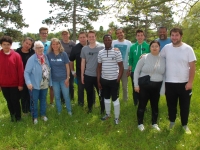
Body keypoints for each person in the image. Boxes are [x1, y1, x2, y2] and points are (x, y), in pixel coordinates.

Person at [160, 27, 196, 134]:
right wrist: (145, 56)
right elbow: (158, 56)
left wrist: (190, 82)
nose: (174, 37)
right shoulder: (166, 48)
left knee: (184, 106)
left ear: (181, 36)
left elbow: (192, 67)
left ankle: (184, 125)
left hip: (184, 83)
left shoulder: (188, 49)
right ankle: (172, 122)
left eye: (176, 35)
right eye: (172, 35)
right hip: (170, 83)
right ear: (170, 36)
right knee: (171, 105)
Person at [134, 40, 165, 131]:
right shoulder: (144, 58)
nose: (154, 48)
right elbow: (136, 71)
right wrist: (136, 85)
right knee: (142, 105)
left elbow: (165, 74)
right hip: (144, 86)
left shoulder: (163, 59)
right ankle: (140, 123)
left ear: (159, 48)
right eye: (152, 46)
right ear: (150, 48)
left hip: (157, 87)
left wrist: (163, 88)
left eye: (156, 46)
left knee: (155, 105)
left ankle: (154, 123)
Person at [97, 34, 123, 124]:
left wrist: (118, 78)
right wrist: (98, 81)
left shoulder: (116, 52)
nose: (107, 41)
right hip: (104, 80)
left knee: (115, 99)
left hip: (114, 80)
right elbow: (99, 67)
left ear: (112, 41)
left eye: (109, 40)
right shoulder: (100, 53)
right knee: (106, 98)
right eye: (105, 40)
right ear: (103, 41)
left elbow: (121, 66)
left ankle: (116, 118)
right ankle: (107, 114)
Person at [24, 41, 52, 124]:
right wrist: (28, 83)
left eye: (41, 47)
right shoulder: (32, 59)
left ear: (43, 48)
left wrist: (50, 82)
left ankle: (43, 115)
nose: (40, 49)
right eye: (37, 47)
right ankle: (34, 117)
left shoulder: (45, 57)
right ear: (34, 49)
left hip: (45, 84)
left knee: (43, 100)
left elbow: (48, 70)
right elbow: (26, 72)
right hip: (34, 85)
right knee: (34, 101)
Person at [0, 36, 24, 122]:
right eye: (4, 44)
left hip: (15, 84)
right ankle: (12, 117)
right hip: (3, 84)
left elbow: (20, 70)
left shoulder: (16, 55)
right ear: (1, 45)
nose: (6, 46)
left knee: (15, 101)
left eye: (8, 44)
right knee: (9, 102)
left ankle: (18, 118)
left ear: (11, 45)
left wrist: (20, 84)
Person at [81, 30, 105, 114]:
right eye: (89, 37)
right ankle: (90, 109)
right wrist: (82, 75)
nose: (91, 38)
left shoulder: (102, 47)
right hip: (88, 75)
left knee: (101, 94)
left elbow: (110, 51)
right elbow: (83, 62)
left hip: (99, 75)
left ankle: (103, 110)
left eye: (93, 36)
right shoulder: (84, 49)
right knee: (89, 93)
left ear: (95, 37)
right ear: (87, 38)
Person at [47, 38, 72, 115]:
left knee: (66, 96)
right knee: (57, 97)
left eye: (57, 44)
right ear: (51, 45)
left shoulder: (63, 54)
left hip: (64, 79)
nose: (55, 46)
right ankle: (59, 111)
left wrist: (68, 78)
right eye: (53, 44)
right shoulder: (49, 55)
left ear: (59, 45)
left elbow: (67, 67)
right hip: (54, 80)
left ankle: (69, 111)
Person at [128, 29, 150, 106]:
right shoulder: (132, 47)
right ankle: (136, 103)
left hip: (144, 71)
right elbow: (130, 59)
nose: (140, 37)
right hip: (134, 71)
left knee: (144, 88)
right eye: (138, 35)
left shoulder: (148, 46)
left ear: (144, 36)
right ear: (136, 37)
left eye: (141, 35)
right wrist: (130, 70)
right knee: (135, 87)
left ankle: (143, 103)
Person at [16, 37, 35, 114]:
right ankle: (25, 111)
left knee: (30, 94)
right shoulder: (17, 52)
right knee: (23, 94)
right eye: (26, 43)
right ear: (23, 42)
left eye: (29, 44)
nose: (27, 45)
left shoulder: (32, 53)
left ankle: (31, 109)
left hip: (31, 76)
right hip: (20, 76)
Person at [112, 28, 132, 102]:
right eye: (118, 33)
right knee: (116, 86)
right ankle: (115, 100)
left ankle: (125, 101)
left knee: (124, 86)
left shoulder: (128, 43)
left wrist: (129, 68)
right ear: (116, 35)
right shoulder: (113, 43)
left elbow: (131, 56)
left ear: (123, 33)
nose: (119, 34)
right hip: (115, 68)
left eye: (121, 32)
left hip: (125, 67)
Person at [70, 32, 87, 106]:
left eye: (84, 37)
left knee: (91, 90)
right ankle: (80, 104)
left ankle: (92, 103)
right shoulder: (75, 48)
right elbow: (71, 60)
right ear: (78, 38)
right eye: (80, 37)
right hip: (80, 73)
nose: (82, 39)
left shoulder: (92, 45)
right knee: (80, 90)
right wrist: (73, 71)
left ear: (86, 37)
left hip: (92, 73)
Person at [39, 27, 54, 105]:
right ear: (40, 34)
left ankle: (51, 103)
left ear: (47, 34)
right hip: (40, 68)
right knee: (41, 86)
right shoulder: (37, 43)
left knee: (51, 86)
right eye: (42, 33)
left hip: (50, 67)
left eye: (45, 33)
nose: (44, 34)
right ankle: (43, 102)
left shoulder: (51, 43)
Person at [60, 29, 76, 100]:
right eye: (63, 34)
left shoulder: (72, 43)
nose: (65, 35)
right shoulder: (59, 43)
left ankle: (71, 98)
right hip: (61, 67)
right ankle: (62, 100)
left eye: (66, 34)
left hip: (70, 66)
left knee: (71, 84)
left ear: (69, 35)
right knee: (62, 83)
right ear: (61, 35)